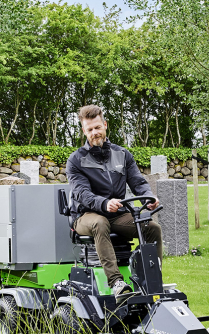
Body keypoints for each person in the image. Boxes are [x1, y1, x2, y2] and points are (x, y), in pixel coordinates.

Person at [66, 105, 163, 297]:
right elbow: (82, 193)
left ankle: (152, 279)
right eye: (90, 129)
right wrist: (104, 203)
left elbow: (138, 182)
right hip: (86, 216)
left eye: (97, 127)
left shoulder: (123, 155)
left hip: (117, 214)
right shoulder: (76, 160)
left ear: (105, 125)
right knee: (100, 223)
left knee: (152, 228)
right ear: (84, 131)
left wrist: (150, 196)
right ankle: (116, 282)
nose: (94, 133)